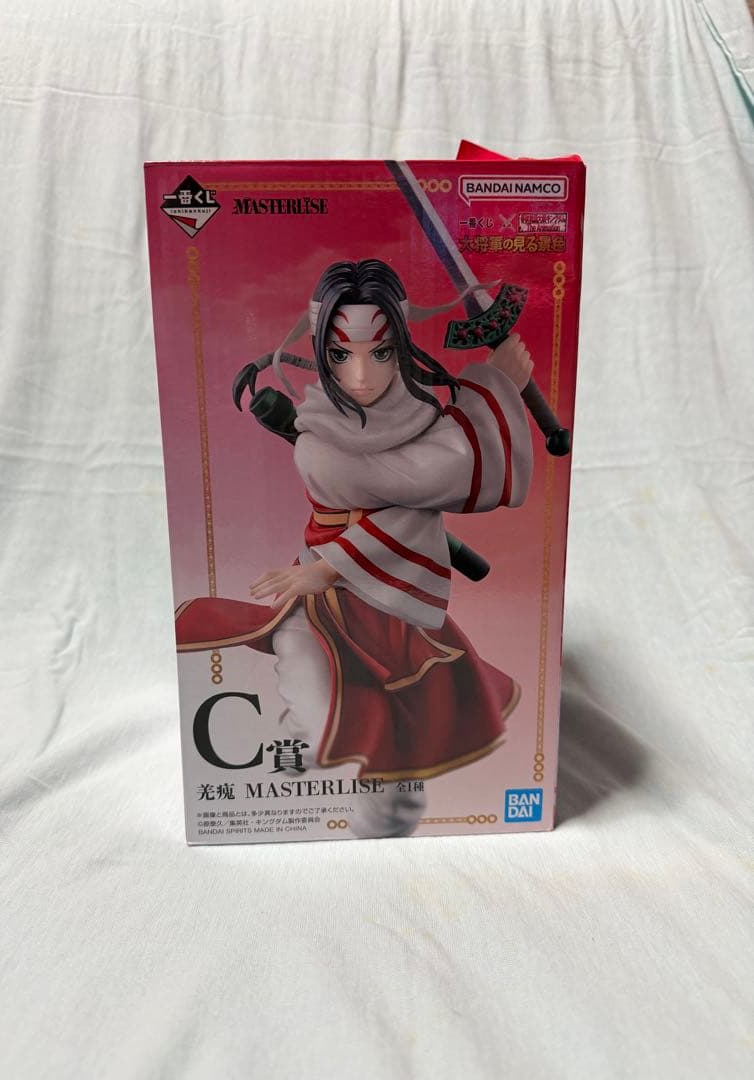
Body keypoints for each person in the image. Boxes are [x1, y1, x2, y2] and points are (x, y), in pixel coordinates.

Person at [175, 259, 534, 838]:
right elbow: (440, 474)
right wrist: (495, 386)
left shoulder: (423, 419)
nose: (362, 374)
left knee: (398, 750)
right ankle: (287, 803)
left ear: (401, 347)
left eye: (381, 351)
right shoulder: (318, 443)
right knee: (319, 723)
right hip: (329, 599)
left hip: (393, 605)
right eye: (341, 354)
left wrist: (488, 391)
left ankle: (378, 838)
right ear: (321, 352)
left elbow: (432, 476)